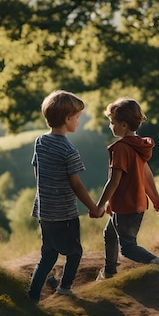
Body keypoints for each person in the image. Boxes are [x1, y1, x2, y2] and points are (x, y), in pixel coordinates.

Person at [27, 90, 100, 302]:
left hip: (44, 210)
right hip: (64, 214)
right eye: (77, 117)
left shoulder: (40, 142)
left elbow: (36, 169)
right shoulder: (69, 150)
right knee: (74, 252)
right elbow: (76, 184)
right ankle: (65, 288)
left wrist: (45, 189)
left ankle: (32, 297)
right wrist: (93, 208)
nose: (78, 121)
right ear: (68, 119)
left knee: (48, 255)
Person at [94, 97, 159, 281]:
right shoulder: (139, 145)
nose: (110, 126)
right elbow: (147, 174)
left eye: (112, 122)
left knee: (127, 247)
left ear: (124, 125)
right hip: (135, 204)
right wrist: (155, 198)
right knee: (110, 233)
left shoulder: (120, 148)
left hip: (126, 206)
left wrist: (99, 205)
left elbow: (113, 181)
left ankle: (157, 263)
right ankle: (109, 272)